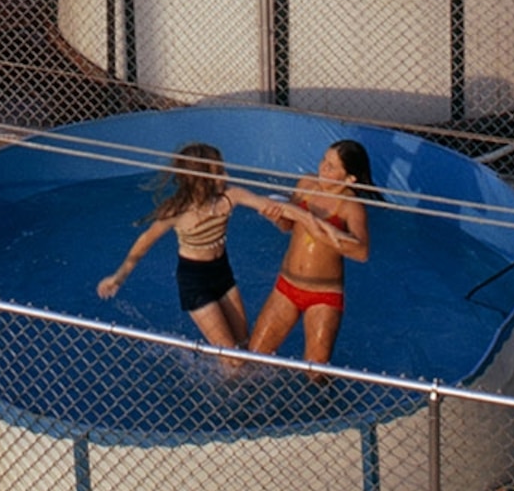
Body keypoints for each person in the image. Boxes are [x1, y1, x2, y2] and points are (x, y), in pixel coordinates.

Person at [99, 143, 266, 351]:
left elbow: (264, 204)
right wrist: (119, 277)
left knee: (244, 345)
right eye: (219, 171)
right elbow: (144, 242)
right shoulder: (176, 210)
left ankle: (237, 379)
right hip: (194, 281)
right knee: (231, 356)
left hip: (222, 272)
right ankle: (228, 381)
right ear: (200, 180)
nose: (227, 175)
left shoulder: (226, 197)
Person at [243, 140, 375, 366]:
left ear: (349, 178)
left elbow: (362, 252)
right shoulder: (306, 184)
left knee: (315, 369)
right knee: (254, 356)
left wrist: (319, 229)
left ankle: (324, 400)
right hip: (286, 286)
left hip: (324, 295)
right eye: (324, 160)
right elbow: (289, 226)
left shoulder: (351, 206)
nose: (323, 167)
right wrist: (277, 217)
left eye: (332, 167)